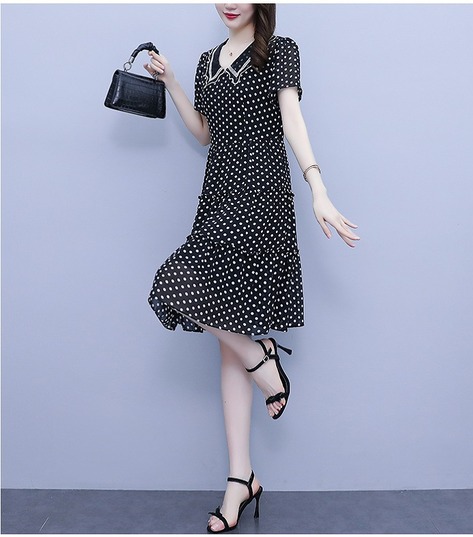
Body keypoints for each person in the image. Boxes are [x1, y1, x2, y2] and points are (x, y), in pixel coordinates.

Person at [144, 3, 359, 533]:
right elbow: (204, 133)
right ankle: (242, 473)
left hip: (261, 199)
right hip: (217, 198)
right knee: (208, 315)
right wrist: (173, 83)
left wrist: (318, 188)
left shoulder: (279, 51)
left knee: (215, 320)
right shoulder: (206, 60)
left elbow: (292, 121)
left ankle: (259, 372)